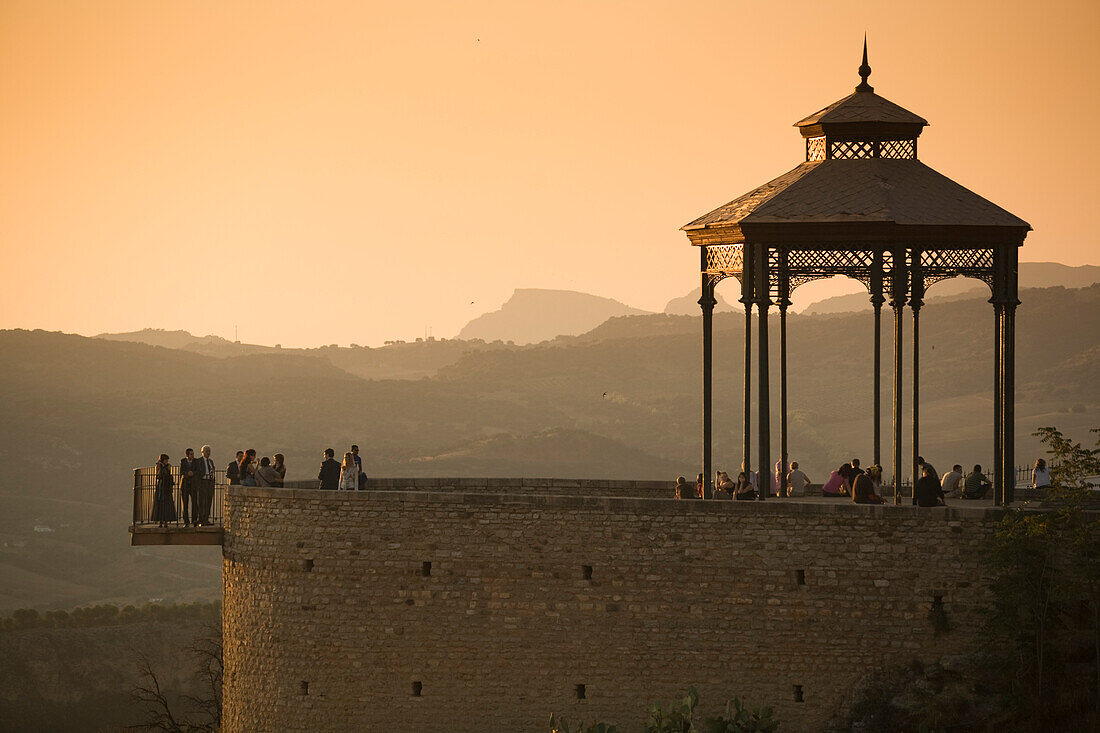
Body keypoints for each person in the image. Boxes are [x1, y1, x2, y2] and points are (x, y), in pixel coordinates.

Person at [151, 453, 177, 527]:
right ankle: (161, 521)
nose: (167, 461)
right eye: (166, 460)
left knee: (166, 504)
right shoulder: (159, 465)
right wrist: (160, 467)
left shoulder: (168, 466)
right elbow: (158, 475)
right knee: (160, 503)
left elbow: (168, 474)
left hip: (166, 486)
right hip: (161, 486)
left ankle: (166, 521)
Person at [179, 448, 200, 527]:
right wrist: (187, 473)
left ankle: (194, 520)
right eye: (191, 454)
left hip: (193, 485)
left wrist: (193, 473)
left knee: (195, 503)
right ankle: (186, 522)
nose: (192, 455)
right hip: (185, 485)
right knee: (185, 504)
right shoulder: (183, 461)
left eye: (193, 454)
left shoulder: (196, 461)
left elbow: (199, 471)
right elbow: (181, 472)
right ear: (187, 455)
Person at [197, 445, 216, 526]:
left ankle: (206, 518)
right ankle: (201, 519)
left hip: (210, 482)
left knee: (209, 501)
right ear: (202, 452)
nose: (208, 453)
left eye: (209, 451)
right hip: (202, 482)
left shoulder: (211, 461)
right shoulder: (199, 461)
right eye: (206, 451)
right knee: (202, 501)